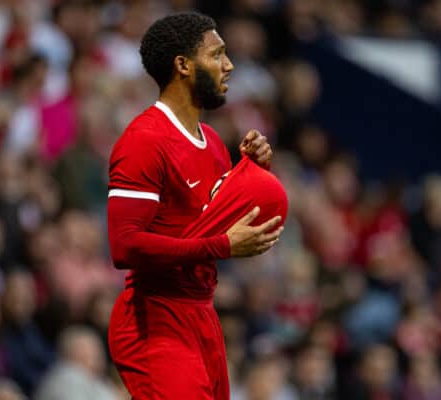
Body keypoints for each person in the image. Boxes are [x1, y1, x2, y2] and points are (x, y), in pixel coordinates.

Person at [107, 12, 286, 400]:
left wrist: (253, 174)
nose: (230, 64)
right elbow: (124, 247)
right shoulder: (144, 141)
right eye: (217, 54)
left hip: (202, 314)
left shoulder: (213, 142)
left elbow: (212, 222)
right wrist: (222, 246)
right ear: (183, 65)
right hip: (154, 318)